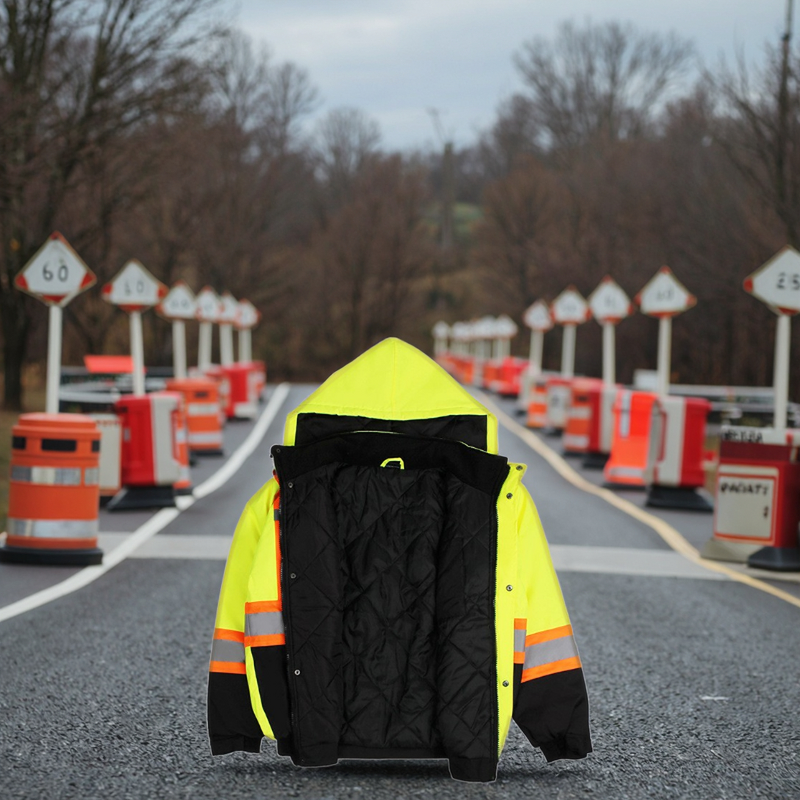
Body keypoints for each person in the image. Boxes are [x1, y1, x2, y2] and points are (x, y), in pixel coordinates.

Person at [207, 337, 591, 782]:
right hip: (459, 730)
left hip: (319, 725)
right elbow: (540, 615)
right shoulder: (497, 499)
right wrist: (558, 729)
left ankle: (319, 745)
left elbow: (244, 612)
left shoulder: (282, 498)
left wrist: (237, 722)